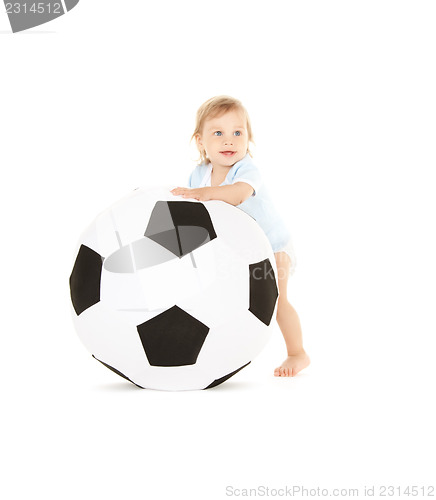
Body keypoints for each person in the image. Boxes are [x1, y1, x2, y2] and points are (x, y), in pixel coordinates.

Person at [171, 95, 310, 377]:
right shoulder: (199, 175)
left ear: (248, 139)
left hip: (273, 246)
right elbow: (194, 212)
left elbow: (238, 195)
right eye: (218, 133)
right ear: (200, 141)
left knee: (278, 301)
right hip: (238, 250)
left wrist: (205, 194)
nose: (229, 141)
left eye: (237, 132)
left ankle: (297, 353)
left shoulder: (246, 170)